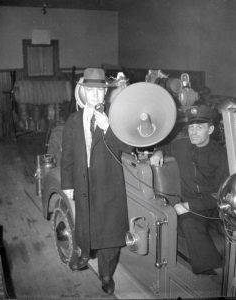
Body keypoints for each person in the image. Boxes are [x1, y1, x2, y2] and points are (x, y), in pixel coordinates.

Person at [61, 68, 132, 295]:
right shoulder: (73, 120)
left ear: (105, 93)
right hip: (84, 181)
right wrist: (68, 184)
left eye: (100, 91)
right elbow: (68, 155)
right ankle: (84, 255)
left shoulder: (115, 116)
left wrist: (108, 128)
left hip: (109, 182)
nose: (96, 95)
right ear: (83, 92)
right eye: (91, 91)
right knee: (87, 223)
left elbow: (128, 147)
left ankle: (107, 274)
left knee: (110, 232)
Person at [150, 105, 229, 275]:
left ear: (211, 129)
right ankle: (210, 272)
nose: (193, 132)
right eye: (191, 127)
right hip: (189, 209)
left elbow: (222, 194)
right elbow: (164, 147)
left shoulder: (220, 155)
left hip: (213, 207)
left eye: (199, 128)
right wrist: (158, 153)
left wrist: (189, 205)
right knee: (189, 222)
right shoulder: (181, 145)